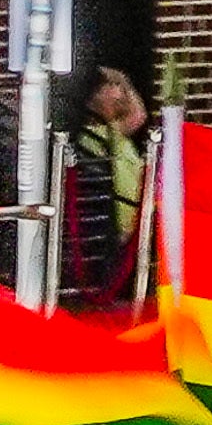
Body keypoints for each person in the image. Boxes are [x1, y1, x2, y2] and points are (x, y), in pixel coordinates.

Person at [58, 62, 156, 313]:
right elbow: (137, 115)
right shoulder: (93, 137)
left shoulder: (115, 133)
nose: (120, 92)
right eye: (110, 87)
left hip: (129, 233)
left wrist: (121, 79)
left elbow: (138, 114)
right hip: (109, 237)